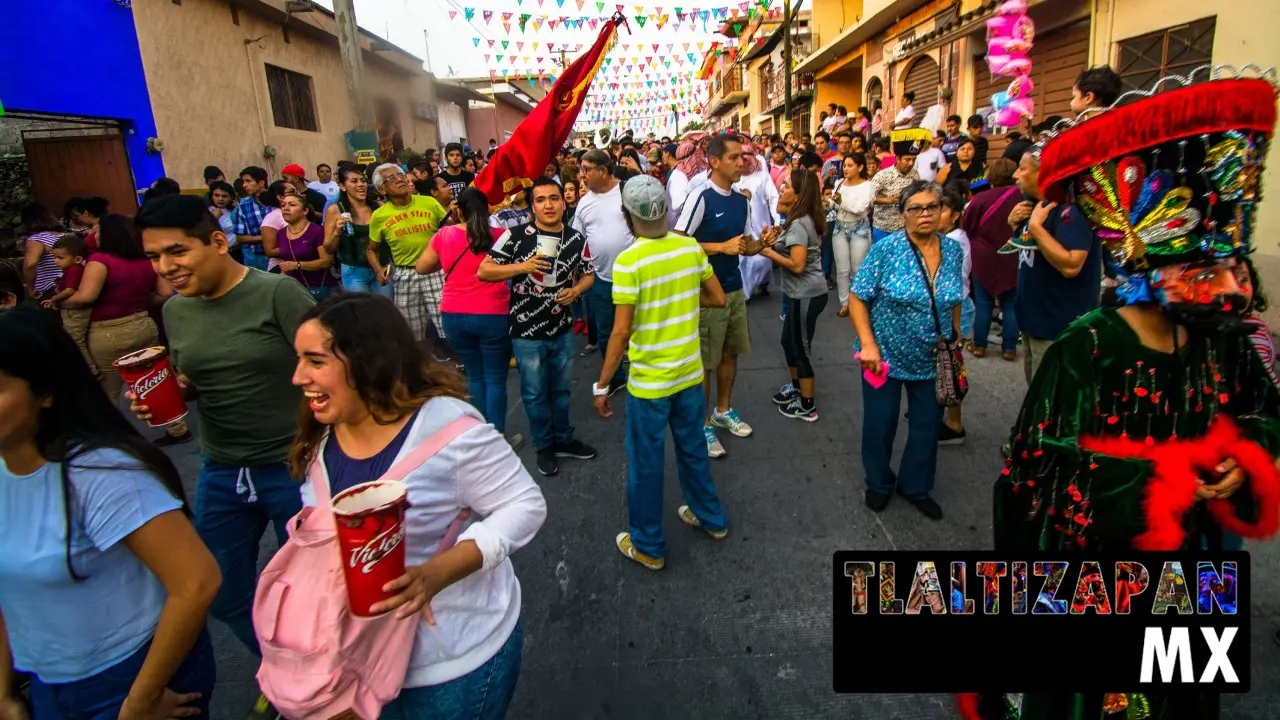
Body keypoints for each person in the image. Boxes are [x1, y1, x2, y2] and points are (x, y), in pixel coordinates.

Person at [977, 65, 1280, 720]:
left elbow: (1264, 410)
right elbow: (1028, 482)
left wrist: (1243, 453)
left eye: (1232, 270)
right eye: (1207, 274)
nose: (1228, 289)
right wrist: (1157, 481)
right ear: (1152, 266)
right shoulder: (1086, 348)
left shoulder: (1221, 339)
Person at [289, 293, 545, 720]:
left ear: (367, 362)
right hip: (354, 658)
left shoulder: (448, 429)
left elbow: (524, 505)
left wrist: (437, 574)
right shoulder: (321, 434)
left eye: (315, 361)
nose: (298, 377)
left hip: (447, 663)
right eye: (299, 360)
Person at [132, 195, 312, 717]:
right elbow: (195, 378)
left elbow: (331, 362)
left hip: (293, 466)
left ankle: (325, 684)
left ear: (217, 241)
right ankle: (288, 670)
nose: (166, 268)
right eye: (153, 257)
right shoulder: (174, 310)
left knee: (306, 592)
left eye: (176, 251)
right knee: (222, 590)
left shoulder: (278, 294)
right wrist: (172, 392)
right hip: (222, 469)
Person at [0, 307, 221, 720]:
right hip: (48, 682)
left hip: (128, 678)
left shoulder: (101, 474)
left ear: (44, 391)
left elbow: (196, 581)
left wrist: (139, 701)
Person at [590, 175, 728, 571]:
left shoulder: (629, 262)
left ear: (627, 215)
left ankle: (649, 545)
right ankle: (710, 517)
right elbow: (717, 298)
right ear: (665, 209)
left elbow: (620, 332)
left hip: (650, 385)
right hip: (688, 376)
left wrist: (602, 385)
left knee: (646, 465)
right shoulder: (689, 248)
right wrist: (681, 295)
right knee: (693, 449)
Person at [850, 181, 964, 520]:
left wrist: (955, 341)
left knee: (927, 426)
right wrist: (868, 345)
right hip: (881, 359)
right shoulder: (887, 250)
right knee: (879, 423)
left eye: (932, 206)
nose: (925, 214)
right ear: (903, 215)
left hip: (931, 359)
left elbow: (954, 297)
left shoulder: (953, 250)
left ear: (943, 210)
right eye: (915, 208)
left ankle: (916, 486)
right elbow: (858, 297)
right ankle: (879, 482)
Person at [480, 177, 598, 477]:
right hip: (526, 330)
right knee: (534, 394)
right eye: (541, 199)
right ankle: (544, 446)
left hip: (561, 328)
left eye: (554, 198)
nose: (549, 205)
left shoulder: (575, 238)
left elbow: (587, 275)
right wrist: (524, 267)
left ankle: (564, 440)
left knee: (560, 391)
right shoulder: (515, 236)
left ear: (564, 202)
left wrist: (577, 291)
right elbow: (485, 271)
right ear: (532, 206)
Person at [676, 134, 769, 458]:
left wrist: (764, 242)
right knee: (705, 364)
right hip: (705, 294)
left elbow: (745, 243)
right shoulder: (701, 197)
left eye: (743, 157)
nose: (741, 162)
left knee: (731, 355)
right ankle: (702, 425)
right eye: (734, 157)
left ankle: (723, 410)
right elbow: (678, 243)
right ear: (714, 162)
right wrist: (719, 247)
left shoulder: (741, 200)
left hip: (734, 289)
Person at [419, 188, 519, 447]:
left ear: (459, 211)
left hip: (454, 314)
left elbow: (422, 267)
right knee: (495, 378)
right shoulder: (500, 235)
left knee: (474, 376)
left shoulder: (444, 234)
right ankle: (497, 438)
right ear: (488, 210)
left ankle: (480, 437)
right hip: (493, 314)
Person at [1001, 151, 1102, 383]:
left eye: (1023, 169)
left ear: (1043, 173)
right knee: (1036, 396)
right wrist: (1017, 227)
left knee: (1053, 404)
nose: (1016, 175)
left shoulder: (1070, 212)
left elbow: (1071, 265)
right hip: (1034, 323)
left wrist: (1035, 227)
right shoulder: (1036, 208)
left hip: (1058, 328)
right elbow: (1033, 254)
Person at [61, 215, 173, 405]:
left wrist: (59, 302)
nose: (93, 236)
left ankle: (112, 434)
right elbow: (165, 293)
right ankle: (177, 428)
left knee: (106, 393)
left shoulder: (99, 260)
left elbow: (86, 296)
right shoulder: (147, 260)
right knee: (155, 381)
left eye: (97, 232)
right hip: (144, 324)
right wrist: (138, 304)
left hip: (108, 332)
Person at [761, 169, 828, 421]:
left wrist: (768, 253)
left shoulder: (800, 223)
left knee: (801, 347)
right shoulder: (795, 219)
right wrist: (773, 239)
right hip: (798, 293)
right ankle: (797, 388)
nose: (781, 188)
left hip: (807, 294)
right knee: (788, 342)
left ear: (799, 195)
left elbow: (798, 266)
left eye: (786, 185)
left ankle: (807, 405)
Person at [571, 150, 633, 395]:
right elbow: (576, 240)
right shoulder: (584, 203)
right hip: (602, 282)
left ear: (604, 171)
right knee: (607, 332)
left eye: (586, 169)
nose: (582, 175)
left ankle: (645, 375)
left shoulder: (627, 192)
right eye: (581, 169)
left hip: (635, 278)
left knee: (639, 329)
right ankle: (616, 377)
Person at [368, 163, 450, 343]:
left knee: (447, 325)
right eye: (391, 178)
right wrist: (378, 270)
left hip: (436, 271)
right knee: (410, 333)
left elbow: (451, 230)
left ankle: (459, 366)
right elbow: (371, 250)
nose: (399, 180)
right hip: (405, 276)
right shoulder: (379, 216)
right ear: (382, 190)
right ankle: (419, 368)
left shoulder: (428, 202)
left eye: (401, 175)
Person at [961, 158, 1022, 359]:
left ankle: (979, 345)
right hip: (1013, 253)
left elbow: (967, 227)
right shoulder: (1022, 198)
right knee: (1011, 304)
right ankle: (1010, 348)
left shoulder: (980, 199)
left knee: (983, 302)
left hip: (984, 256)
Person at [324, 165, 393, 298]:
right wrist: (337, 232)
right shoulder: (336, 210)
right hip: (354, 270)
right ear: (343, 186)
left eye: (363, 180)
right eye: (354, 181)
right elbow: (328, 248)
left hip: (382, 267)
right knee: (362, 313)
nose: (361, 185)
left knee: (386, 311)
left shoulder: (378, 207)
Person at [938, 190, 971, 445]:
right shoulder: (946, 237)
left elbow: (953, 285)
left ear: (956, 215)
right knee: (943, 365)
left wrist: (956, 323)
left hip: (954, 308)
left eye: (941, 209)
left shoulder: (954, 241)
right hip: (949, 308)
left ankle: (954, 424)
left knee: (950, 366)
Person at [42, 233, 97, 375]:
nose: (56, 261)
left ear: (78, 259)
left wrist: (55, 299)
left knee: (75, 340)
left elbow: (70, 290)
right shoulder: (69, 269)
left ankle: (90, 370)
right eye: (54, 257)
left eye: (60, 258)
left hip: (76, 312)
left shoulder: (74, 270)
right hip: (71, 311)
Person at [830, 153, 875, 317]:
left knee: (858, 268)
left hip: (860, 229)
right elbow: (833, 205)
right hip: (840, 227)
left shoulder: (868, 185)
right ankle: (844, 302)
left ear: (860, 167)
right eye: (845, 165)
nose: (845, 169)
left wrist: (841, 201)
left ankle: (859, 302)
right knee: (842, 269)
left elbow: (859, 209)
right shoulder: (839, 182)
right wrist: (826, 202)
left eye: (850, 165)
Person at [276, 192, 338, 301]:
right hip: (295, 291)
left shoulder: (317, 231)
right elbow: (286, 262)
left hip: (321, 289)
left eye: (292, 205)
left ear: (305, 211)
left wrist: (297, 265)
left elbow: (327, 261)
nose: (286, 208)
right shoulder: (281, 233)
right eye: (283, 205)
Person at [870, 129, 929, 242]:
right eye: (907, 160)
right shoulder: (883, 175)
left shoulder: (915, 174)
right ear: (897, 159)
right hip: (883, 228)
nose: (911, 163)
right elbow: (868, 198)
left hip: (905, 228)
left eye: (913, 160)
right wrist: (889, 200)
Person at [20, 203, 64, 302]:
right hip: (69, 285)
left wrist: (30, 288)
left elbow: (30, 264)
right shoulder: (67, 236)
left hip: (49, 290)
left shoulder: (37, 239)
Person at [232, 166, 273, 271]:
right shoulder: (243, 207)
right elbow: (240, 238)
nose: (244, 185)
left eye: (248, 181)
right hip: (257, 259)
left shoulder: (276, 202)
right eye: (243, 182)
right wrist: (264, 237)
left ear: (261, 183)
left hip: (281, 255)